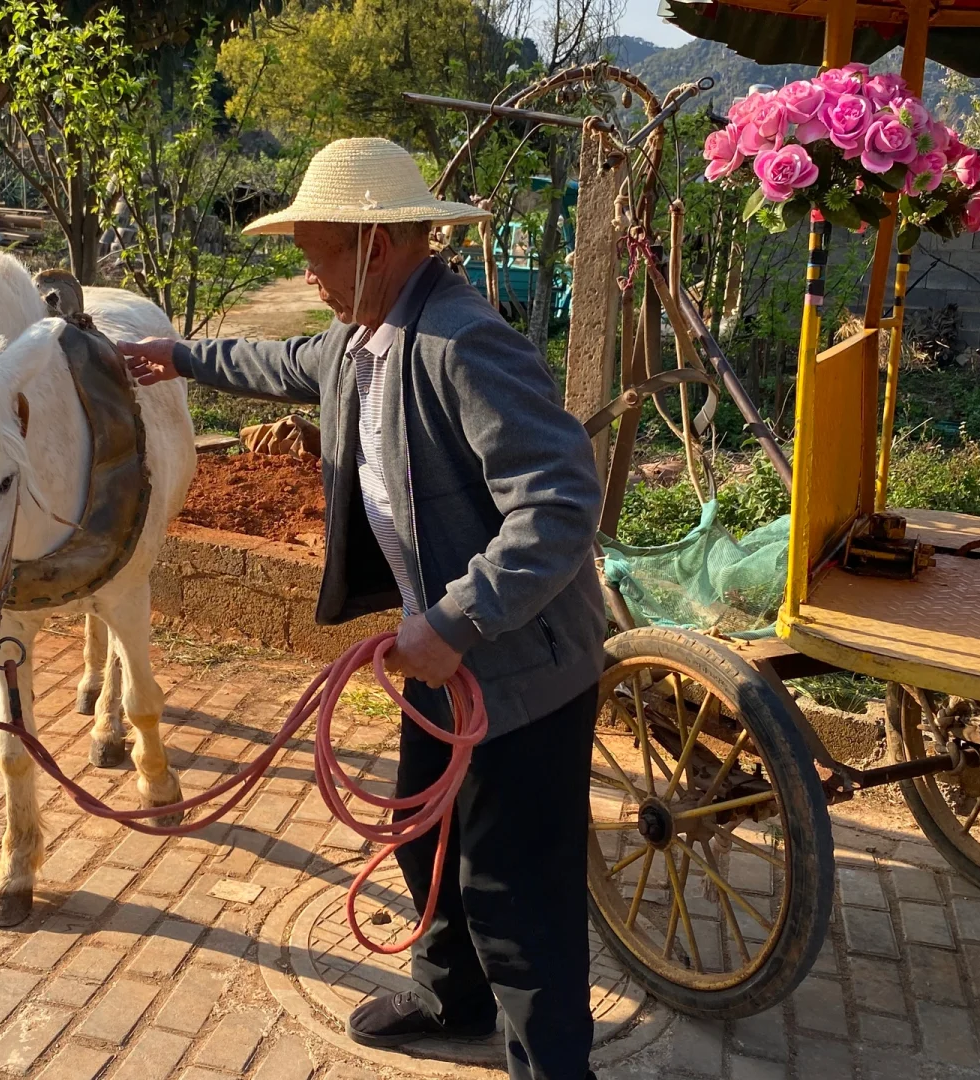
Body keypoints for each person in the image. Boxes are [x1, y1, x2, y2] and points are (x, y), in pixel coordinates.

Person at [118, 137, 606, 1080]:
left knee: (515, 891)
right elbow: (275, 361)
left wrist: (455, 621)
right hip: (442, 654)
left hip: (521, 664)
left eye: (316, 253)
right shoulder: (362, 340)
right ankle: (450, 999)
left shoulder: (463, 344)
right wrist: (173, 356)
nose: (307, 272)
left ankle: (553, 1067)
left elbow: (559, 505)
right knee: (425, 842)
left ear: (375, 246)